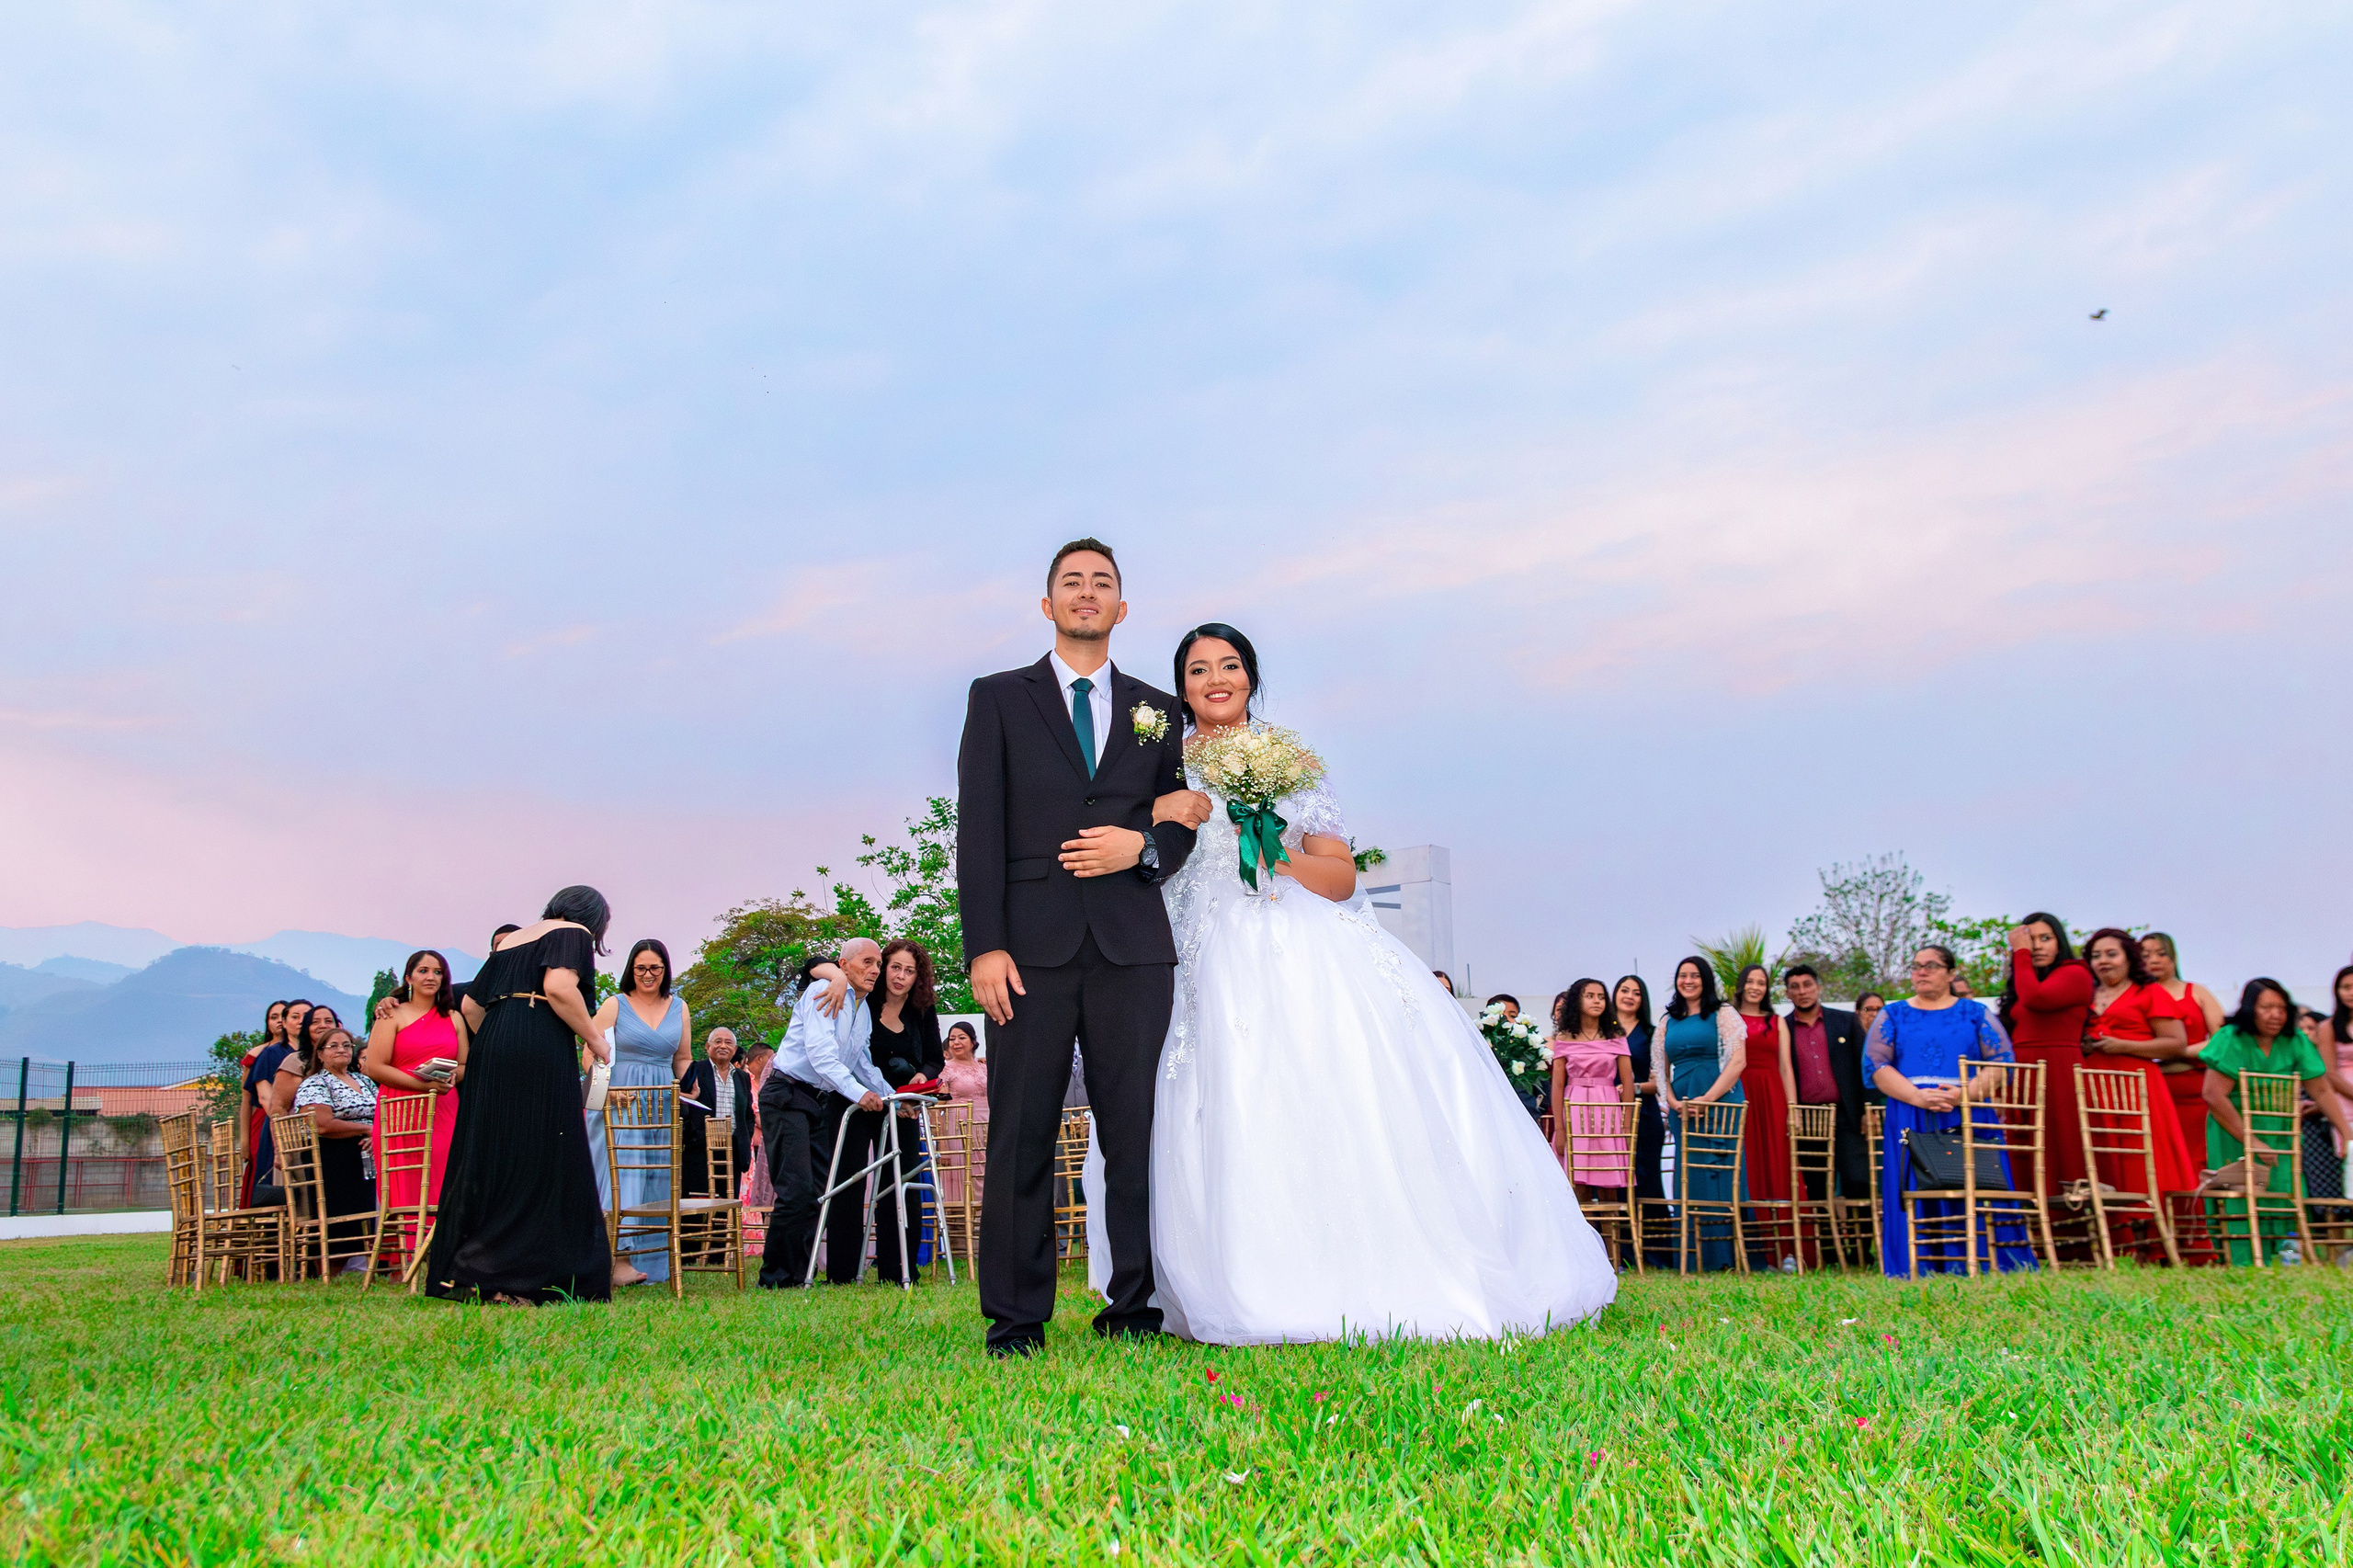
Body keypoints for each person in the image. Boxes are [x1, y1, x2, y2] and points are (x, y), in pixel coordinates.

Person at [1098, 621, 1614, 1343]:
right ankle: (1226, 1279)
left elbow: (1339, 878)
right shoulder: (1163, 766)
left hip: (1303, 941)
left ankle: (1365, 1270)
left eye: (1230, 664)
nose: (1216, 678)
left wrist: (1275, 854)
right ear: (1181, 687)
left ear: (1251, 674)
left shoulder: (1293, 761)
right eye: (1197, 669)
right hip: (1198, 955)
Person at [952, 539, 1202, 1354]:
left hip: (1134, 947)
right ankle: (1017, 1319)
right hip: (1027, 953)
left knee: (1133, 1131)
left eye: (1102, 584)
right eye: (1072, 583)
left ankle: (1132, 1308)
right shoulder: (996, 698)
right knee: (1022, 1129)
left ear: (1122, 608)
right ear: (1048, 604)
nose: (1087, 594)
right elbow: (978, 830)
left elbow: (1178, 820)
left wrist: (1146, 848)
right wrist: (984, 947)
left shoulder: (1160, 709)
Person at [425, 887, 615, 1305]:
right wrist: (595, 1041)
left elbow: (472, 1005)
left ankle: (481, 1271)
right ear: (593, 918)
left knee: (496, 1154)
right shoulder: (573, 932)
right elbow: (561, 988)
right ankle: (530, 1275)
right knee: (544, 1154)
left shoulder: (513, 939)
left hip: (493, 1042)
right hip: (538, 1040)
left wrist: (500, 1039)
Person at [1868, 945, 2032, 1277]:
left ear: (1951, 973)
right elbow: (1875, 1065)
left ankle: (1995, 1259)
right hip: (1912, 1114)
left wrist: (1963, 1094)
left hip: (1968, 1112)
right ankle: (1919, 1263)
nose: (1921, 972)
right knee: (1915, 1182)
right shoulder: (1893, 1014)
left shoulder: (1974, 1013)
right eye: (1916, 966)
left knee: (1978, 1179)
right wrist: (1916, 1097)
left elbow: (2002, 1062)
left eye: (1931, 966)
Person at [756, 939, 890, 1289]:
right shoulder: (823, 990)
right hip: (786, 1093)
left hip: (819, 1099)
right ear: (844, 965)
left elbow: (863, 1062)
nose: (876, 969)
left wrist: (894, 1097)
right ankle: (775, 1280)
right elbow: (821, 1056)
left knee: (818, 1192)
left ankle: (800, 1275)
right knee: (797, 1191)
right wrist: (860, 1095)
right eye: (868, 962)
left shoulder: (862, 1009)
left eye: (879, 963)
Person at [813, 938, 946, 1285]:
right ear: (883, 967)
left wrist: (922, 1077)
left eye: (910, 971)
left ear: (920, 977)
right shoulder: (860, 995)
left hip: (901, 1106)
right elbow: (812, 966)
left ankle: (899, 1269)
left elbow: (935, 1059)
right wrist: (837, 977)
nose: (900, 976)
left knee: (901, 1184)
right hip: (854, 1101)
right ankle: (841, 1273)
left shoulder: (923, 1009)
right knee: (848, 1185)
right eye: (895, 967)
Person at [2200, 979, 2352, 1264]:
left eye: (2281, 1008)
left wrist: (2345, 1132)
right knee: (2242, 1189)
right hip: (2234, 1129)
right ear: (2249, 1009)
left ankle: (2283, 1258)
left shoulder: (2294, 1040)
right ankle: (2241, 1259)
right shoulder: (2230, 1037)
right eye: (2267, 1007)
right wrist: (2251, 1140)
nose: (2276, 1015)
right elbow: (2213, 1095)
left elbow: (2320, 1088)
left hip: (2279, 1128)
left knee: (2283, 1189)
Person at [588, 938, 693, 1287]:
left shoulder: (679, 1007)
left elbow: (682, 1057)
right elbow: (590, 1051)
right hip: (623, 1098)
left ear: (665, 970)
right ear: (630, 970)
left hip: (661, 1099)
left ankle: (652, 1262)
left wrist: (690, 1083)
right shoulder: (615, 1004)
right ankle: (617, 1259)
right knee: (626, 1175)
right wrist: (608, 1089)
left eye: (655, 968)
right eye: (641, 968)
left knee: (656, 1176)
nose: (648, 975)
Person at [360, 951, 469, 1250]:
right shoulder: (391, 1014)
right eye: (423, 971)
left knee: (443, 1172)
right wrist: (423, 1085)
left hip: (444, 1106)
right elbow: (375, 1066)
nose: (431, 977)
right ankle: (403, 1253)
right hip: (399, 1107)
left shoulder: (454, 1017)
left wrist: (447, 1080)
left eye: (437, 972)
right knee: (405, 1177)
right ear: (409, 977)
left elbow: (463, 1065)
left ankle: (441, 1250)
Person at [2079, 927, 2198, 1198]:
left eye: (2112, 954)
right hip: (2094, 1087)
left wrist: (2124, 1046)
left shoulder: (2149, 992)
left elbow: (2175, 1043)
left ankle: (2149, 1223)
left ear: (2129, 958)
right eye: (2096, 956)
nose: (2103, 961)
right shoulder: (2086, 995)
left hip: (2137, 1086)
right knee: (2100, 1154)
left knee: (2143, 1155)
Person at [1654, 957, 1746, 1271]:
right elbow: (1660, 1068)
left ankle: (1725, 1258)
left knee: (1718, 1170)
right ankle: (1692, 1257)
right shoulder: (1669, 1020)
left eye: (1695, 975)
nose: (1688, 981)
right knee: (1689, 1173)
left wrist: (1708, 1098)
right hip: (1683, 1108)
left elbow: (1738, 1060)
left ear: (1706, 980)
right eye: (1683, 976)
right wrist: (1671, 1101)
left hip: (1720, 1101)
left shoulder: (1723, 1013)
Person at [1998, 914, 2092, 1198]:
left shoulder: (2076, 972)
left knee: (2060, 1145)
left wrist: (2021, 951)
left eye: (2045, 938)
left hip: (2058, 1071)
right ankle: (2029, 1228)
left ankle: (2068, 1230)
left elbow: (2037, 999)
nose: (2037, 946)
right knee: (2024, 1147)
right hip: (2022, 1074)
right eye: (2030, 939)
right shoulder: (2025, 981)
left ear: (2059, 942)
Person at [293, 1028, 380, 1272]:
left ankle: (374, 1262)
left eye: (347, 1045)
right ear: (320, 1054)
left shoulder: (364, 1080)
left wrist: (375, 1134)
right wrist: (365, 1130)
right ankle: (328, 1268)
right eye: (333, 1046)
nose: (342, 1049)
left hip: (367, 1156)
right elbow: (322, 1124)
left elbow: (380, 1114)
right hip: (332, 1158)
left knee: (366, 1212)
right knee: (340, 1217)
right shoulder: (315, 1083)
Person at [1783, 964, 1871, 1201]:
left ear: (1818, 987)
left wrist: (1867, 1110)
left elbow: (1866, 1067)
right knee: (1817, 1188)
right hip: (1807, 1117)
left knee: (1858, 1180)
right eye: (1795, 987)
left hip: (1847, 1116)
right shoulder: (1783, 1029)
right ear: (1787, 993)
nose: (1802, 991)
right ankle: (1825, 1238)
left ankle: (1862, 1238)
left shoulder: (1846, 1021)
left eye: (1807, 985)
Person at [1732, 962, 1798, 1268]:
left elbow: (1786, 1068)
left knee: (1778, 1168)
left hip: (1773, 1099)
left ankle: (1787, 1250)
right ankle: (1757, 1253)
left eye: (1762, 982)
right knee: (1749, 1169)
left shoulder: (1777, 1022)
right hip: (1742, 1097)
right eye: (1751, 982)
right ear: (1742, 985)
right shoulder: (1729, 1019)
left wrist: (1792, 1109)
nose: (1756, 987)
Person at [2140, 933, 2222, 1159]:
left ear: (2174, 958)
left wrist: (2180, 1050)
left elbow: (2222, 1038)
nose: (2153, 960)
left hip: (2195, 1089)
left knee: (2197, 1157)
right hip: (2151, 1088)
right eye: (2145, 955)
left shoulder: (2197, 992)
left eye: (2161, 954)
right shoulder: (2136, 997)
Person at [1549, 978, 1632, 1199]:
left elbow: (1628, 1082)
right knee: (1578, 1181)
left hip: (1607, 1107)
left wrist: (1626, 1124)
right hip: (1574, 1107)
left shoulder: (1616, 1037)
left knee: (1609, 1181)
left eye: (1602, 997)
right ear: (1577, 1001)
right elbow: (1557, 1086)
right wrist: (1559, 1129)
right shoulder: (1564, 1038)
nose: (1597, 1001)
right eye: (1590, 996)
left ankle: (1610, 1233)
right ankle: (1584, 1233)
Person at [679, 1028, 753, 1263]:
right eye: (718, 1041)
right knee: (694, 1200)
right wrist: (693, 1133)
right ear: (708, 1047)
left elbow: (747, 1114)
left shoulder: (741, 1077)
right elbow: (682, 1101)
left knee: (725, 1200)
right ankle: (689, 1253)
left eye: (729, 1043)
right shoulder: (696, 1069)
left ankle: (718, 1254)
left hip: (732, 1147)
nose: (723, 1046)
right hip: (699, 1146)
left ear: (735, 1049)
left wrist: (745, 1136)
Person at [1611, 975, 1665, 1234]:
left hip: (1645, 1115)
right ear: (1615, 995)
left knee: (1647, 1179)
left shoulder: (1652, 1034)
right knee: (1615, 1180)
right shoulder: (1603, 1033)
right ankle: (1621, 1247)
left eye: (1636, 992)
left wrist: (1633, 1089)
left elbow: (1661, 1082)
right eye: (1624, 990)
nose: (1629, 996)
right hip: (1609, 1116)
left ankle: (1655, 1249)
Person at [239, 999, 294, 1204]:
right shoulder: (257, 1055)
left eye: (283, 1016)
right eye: (274, 1017)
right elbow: (246, 1099)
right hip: (263, 1118)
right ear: (267, 1023)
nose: (279, 1021)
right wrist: (244, 1140)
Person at [2310, 967, 2353, 1201]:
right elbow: (2330, 1073)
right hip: (2345, 1104)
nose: (2350, 993)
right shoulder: (2328, 1027)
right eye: (2345, 988)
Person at [739, 1040, 779, 1212]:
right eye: (771, 1058)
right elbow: (756, 1115)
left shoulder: (763, 1083)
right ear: (761, 1059)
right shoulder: (746, 1080)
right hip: (751, 1150)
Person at [938, 1022, 988, 1106]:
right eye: (952, 1039)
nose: (956, 1042)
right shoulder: (945, 1070)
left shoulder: (984, 1068)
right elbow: (936, 1107)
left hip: (988, 1118)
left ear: (973, 1042)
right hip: (958, 1118)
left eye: (962, 1038)